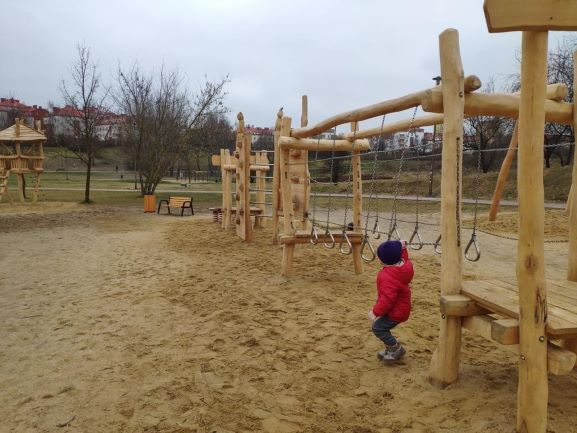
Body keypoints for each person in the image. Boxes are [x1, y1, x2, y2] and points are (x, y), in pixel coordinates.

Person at [368, 239, 414, 364]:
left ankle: (396, 349)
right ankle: (391, 348)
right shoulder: (404, 266)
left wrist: (375, 312)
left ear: (383, 260)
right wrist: (403, 248)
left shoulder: (388, 277)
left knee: (378, 328)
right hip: (401, 307)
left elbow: (387, 299)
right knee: (381, 327)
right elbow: (405, 257)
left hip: (396, 312)